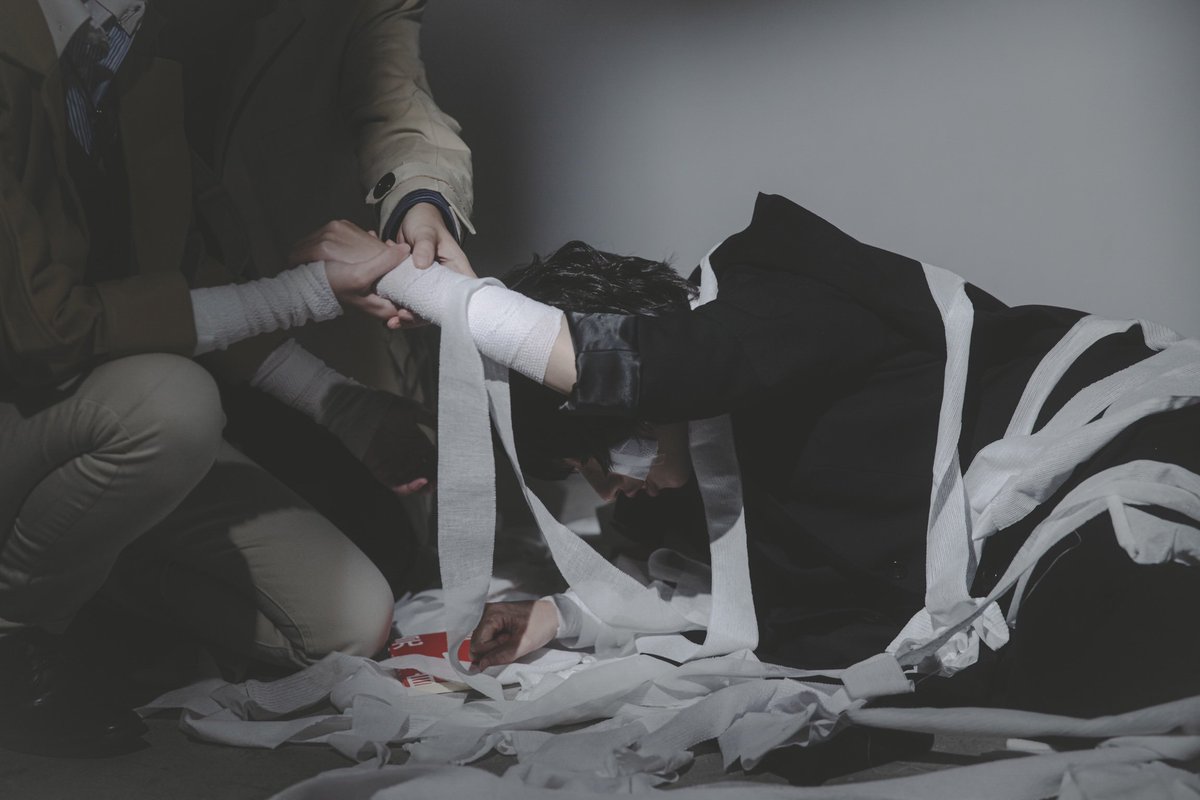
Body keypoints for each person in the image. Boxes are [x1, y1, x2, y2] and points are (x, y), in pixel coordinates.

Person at [300, 193, 1200, 719]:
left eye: (605, 451)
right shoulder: (716, 469)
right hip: (1039, 540)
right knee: (1050, 681)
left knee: (1127, 639)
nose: (614, 487)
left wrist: (416, 283)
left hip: (1123, 440)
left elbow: (657, 363)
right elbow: (747, 605)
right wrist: (558, 618)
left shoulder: (770, 288)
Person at [0, 0, 431, 757]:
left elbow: (180, 275)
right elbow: (47, 331)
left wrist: (345, 409)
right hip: (46, 400)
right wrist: (306, 291)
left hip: (99, 419)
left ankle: (84, 576)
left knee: (352, 620)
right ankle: (14, 636)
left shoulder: (139, 47)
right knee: (174, 404)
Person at [152, 0, 476, 586]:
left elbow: (400, 107)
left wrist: (420, 201)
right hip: (145, 348)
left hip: (321, 339)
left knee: (387, 564)